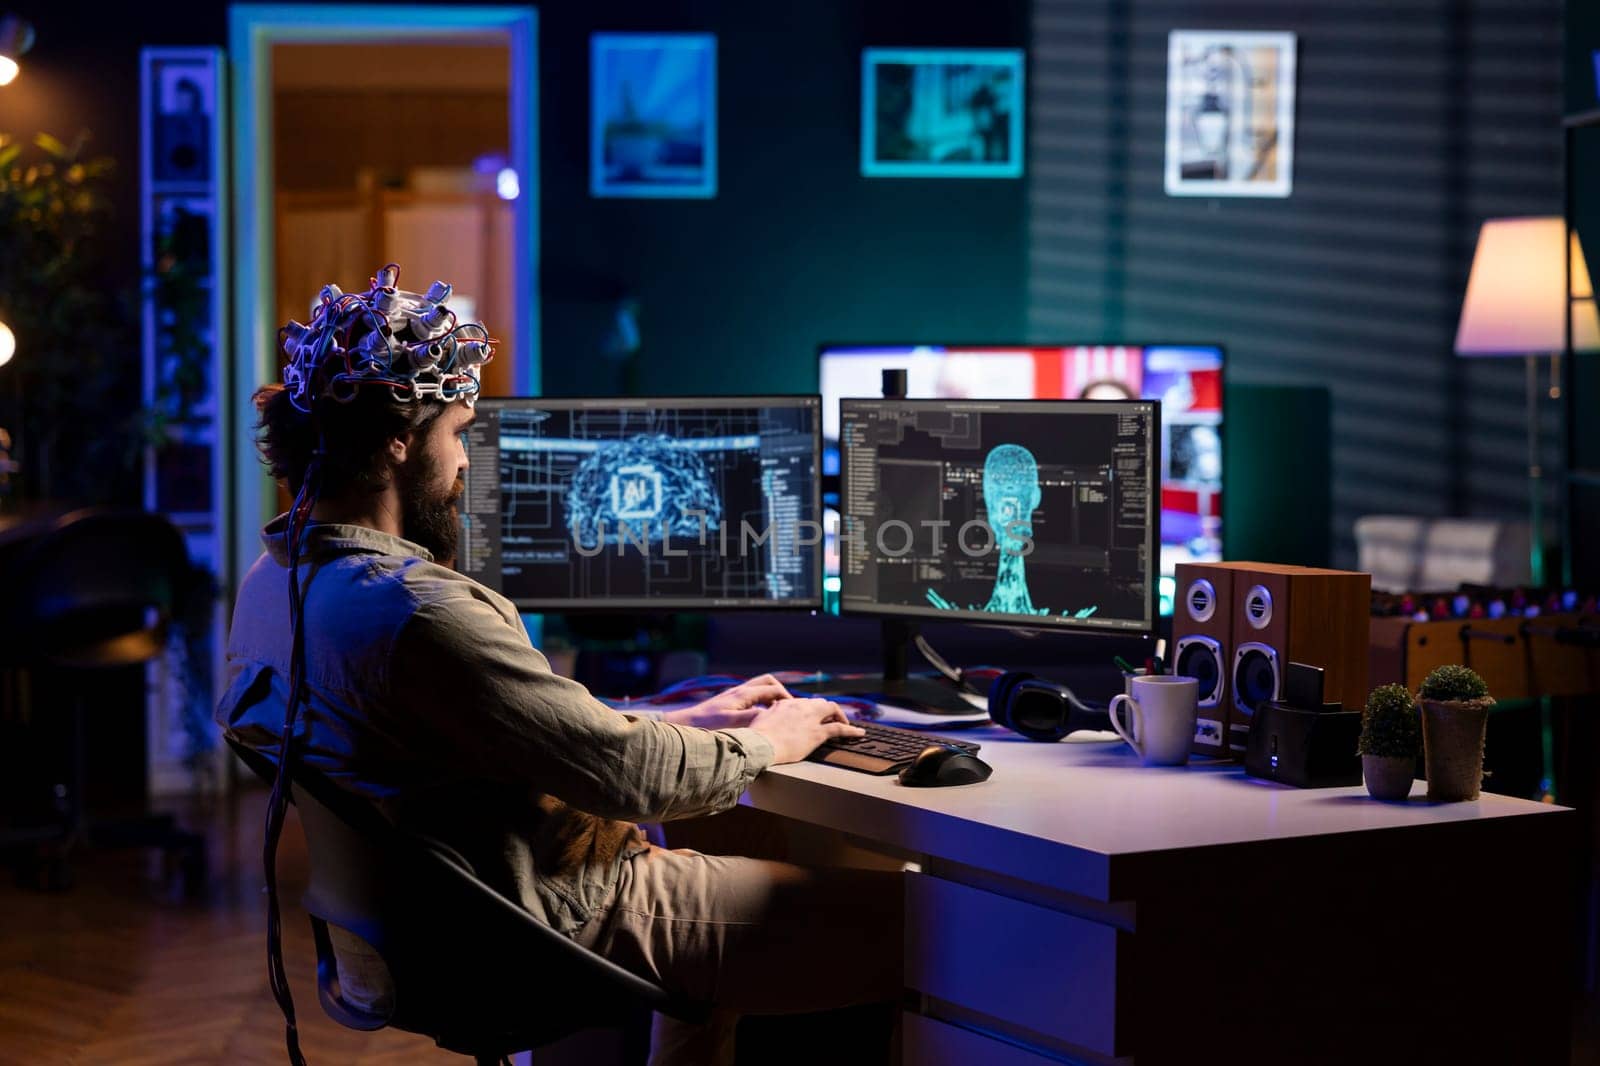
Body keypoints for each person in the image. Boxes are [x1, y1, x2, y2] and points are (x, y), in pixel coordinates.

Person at [217, 266, 904, 1066]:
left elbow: (500, 741)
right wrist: (776, 739)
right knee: (931, 926)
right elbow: (626, 777)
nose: (467, 462)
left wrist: (692, 720)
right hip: (558, 913)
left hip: (437, 929)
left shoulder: (275, 587)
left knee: (746, 822)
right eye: (459, 433)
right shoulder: (416, 611)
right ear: (399, 442)